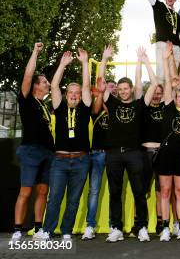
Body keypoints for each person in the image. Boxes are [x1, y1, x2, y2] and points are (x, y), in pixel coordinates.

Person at [92, 48, 158, 243]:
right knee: (115, 192)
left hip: (134, 153)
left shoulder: (139, 104)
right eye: (120, 89)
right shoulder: (111, 103)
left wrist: (144, 60)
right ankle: (116, 227)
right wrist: (104, 59)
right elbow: (101, 81)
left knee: (139, 191)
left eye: (125, 88)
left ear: (131, 89)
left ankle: (142, 227)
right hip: (113, 154)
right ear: (118, 92)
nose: (123, 91)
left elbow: (154, 84)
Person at [33, 49, 91, 241]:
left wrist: (84, 63)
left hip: (81, 160)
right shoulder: (59, 107)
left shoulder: (85, 107)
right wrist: (63, 65)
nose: (74, 95)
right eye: (71, 93)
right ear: (66, 95)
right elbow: (55, 85)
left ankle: (66, 230)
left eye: (77, 93)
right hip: (59, 160)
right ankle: (48, 231)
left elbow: (86, 86)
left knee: (73, 200)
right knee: (55, 198)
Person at [12, 43, 54, 242]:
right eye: (44, 81)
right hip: (30, 151)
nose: (47, 83)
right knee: (26, 191)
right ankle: (17, 230)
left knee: (43, 191)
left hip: (47, 152)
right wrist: (35, 52)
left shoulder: (44, 105)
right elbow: (28, 75)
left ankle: (39, 229)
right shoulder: (27, 100)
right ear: (36, 85)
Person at [156, 44, 180, 241]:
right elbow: (171, 81)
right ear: (175, 97)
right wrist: (168, 59)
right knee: (165, 191)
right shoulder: (169, 107)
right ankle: (166, 227)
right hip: (166, 155)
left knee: (179, 191)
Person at [82, 49, 114, 240]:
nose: (109, 89)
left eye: (113, 88)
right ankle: (90, 225)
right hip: (96, 153)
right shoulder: (95, 110)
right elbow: (99, 82)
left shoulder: (118, 111)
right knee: (94, 190)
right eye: (108, 87)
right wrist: (104, 59)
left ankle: (113, 225)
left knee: (113, 191)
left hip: (112, 154)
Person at [144, 0, 180, 79]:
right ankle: (161, 97)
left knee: (175, 77)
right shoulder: (159, 6)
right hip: (163, 44)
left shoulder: (177, 15)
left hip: (176, 47)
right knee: (162, 75)